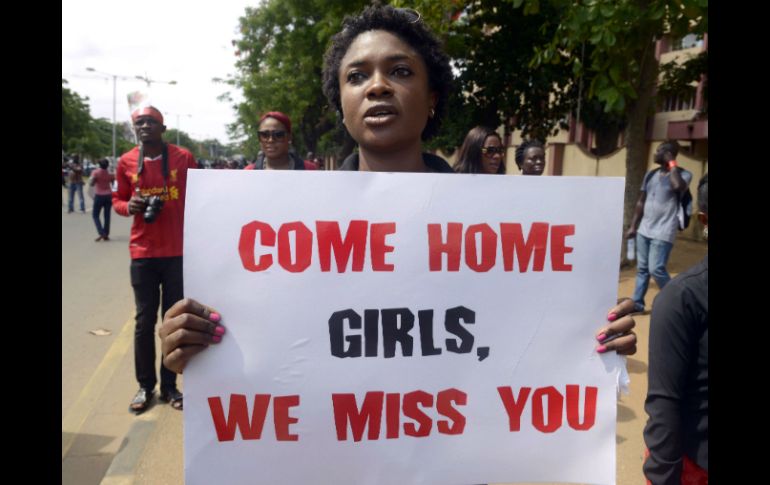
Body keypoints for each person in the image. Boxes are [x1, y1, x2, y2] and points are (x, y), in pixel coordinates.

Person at [159, 3, 636, 376]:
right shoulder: (288, 230)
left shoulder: (495, 223)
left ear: (432, 99)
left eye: (401, 71)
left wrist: (593, 336)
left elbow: (531, 330)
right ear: (340, 102)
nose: (378, 86)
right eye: (357, 75)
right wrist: (197, 351)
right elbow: (270, 347)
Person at [113, 105, 197, 414]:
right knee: (144, 321)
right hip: (143, 253)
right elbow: (117, 201)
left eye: (151, 122)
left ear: (162, 128)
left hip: (177, 253)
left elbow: (200, 195)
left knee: (172, 322)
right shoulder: (124, 162)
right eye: (139, 122)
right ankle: (145, 386)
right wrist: (129, 206)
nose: (145, 126)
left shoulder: (183, 158)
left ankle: (171, 386)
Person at [643, 173, 707, 485]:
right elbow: (664, 405)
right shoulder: (681, 300)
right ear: (706, 221)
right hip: (698, 467)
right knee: (649, 269)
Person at [626, 140, 692, 313]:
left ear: (668, 154)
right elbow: (641, 201)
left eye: (659, 151)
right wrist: (634, 226)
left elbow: (678, 186)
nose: (655, 154)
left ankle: (678, 301)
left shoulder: (684, 175)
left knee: (656, 269)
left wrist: (672, 164)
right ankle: (638, 304)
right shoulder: (650, 174)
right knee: (642, 269)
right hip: (644, 229)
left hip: (663, 231)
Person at [243, 112, 315, 170]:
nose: (270, 140)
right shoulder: (248, 172)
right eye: (264, 135)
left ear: (289, 137)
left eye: (278, 134)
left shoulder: (310, 170)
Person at [90, 158, 114, 241]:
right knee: (107, 216)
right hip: (108, 195)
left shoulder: (95, 172)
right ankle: (106, 234)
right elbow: (113, 183)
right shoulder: (110, 173)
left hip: (99, 195)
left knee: (95, 215)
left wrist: (95, 180)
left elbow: (91, 184)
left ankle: (101, 232)